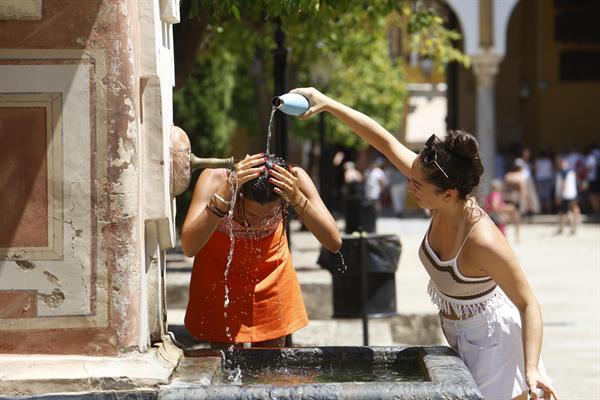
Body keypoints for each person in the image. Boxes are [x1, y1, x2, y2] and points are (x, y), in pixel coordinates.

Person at [290, 87, 557, 400]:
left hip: (495, 342)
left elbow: (528, 303)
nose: (409, 186)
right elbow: (383, 140)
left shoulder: (483, 239)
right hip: (462, 336)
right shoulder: (436, 183)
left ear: (448, 194)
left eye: (416, 185)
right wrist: (328, 103)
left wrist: (531, 369)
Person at [181, 153, 341, 348]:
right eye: (251, 214)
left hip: (272, 276)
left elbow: (333, 242)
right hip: (220, 277)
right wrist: (225, 192)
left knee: (270, 368)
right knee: (224, 361)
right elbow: (189, 247)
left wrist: (297, 198)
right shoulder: (216, 179)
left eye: (269, 216)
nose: (259, 223)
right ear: (240, 196)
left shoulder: (293, 180)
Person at [554, 156, 580, 235]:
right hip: (573, 194)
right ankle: (561, 228)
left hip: (565, 195)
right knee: (563, 212)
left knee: (566, 212)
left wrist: (560, 195)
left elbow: (563, 184)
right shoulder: (572, 172)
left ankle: (573, 227)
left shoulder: (563, 172)